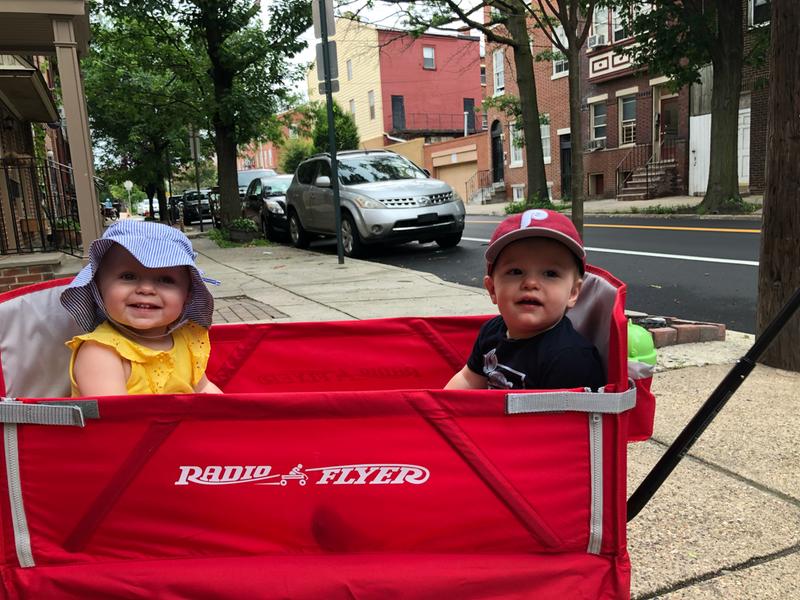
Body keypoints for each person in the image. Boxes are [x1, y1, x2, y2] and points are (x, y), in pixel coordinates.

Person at [445, 208, 606, 391]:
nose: (530, 283)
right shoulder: (491, 332)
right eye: (515, 271)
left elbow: (565, 420)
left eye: (550, 273)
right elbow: (468, 380)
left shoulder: (570, 358)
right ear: (492, 290)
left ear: (573, 293)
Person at [61, 220, 222, 397]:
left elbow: (205, 390)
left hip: (184, 424)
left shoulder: (186, 340)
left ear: (188, 295)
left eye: (166, 280)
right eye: (128, 276)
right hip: (131, 424)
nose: (146, 289)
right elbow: (117, 421)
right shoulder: (101, 353)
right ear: (99, 288)